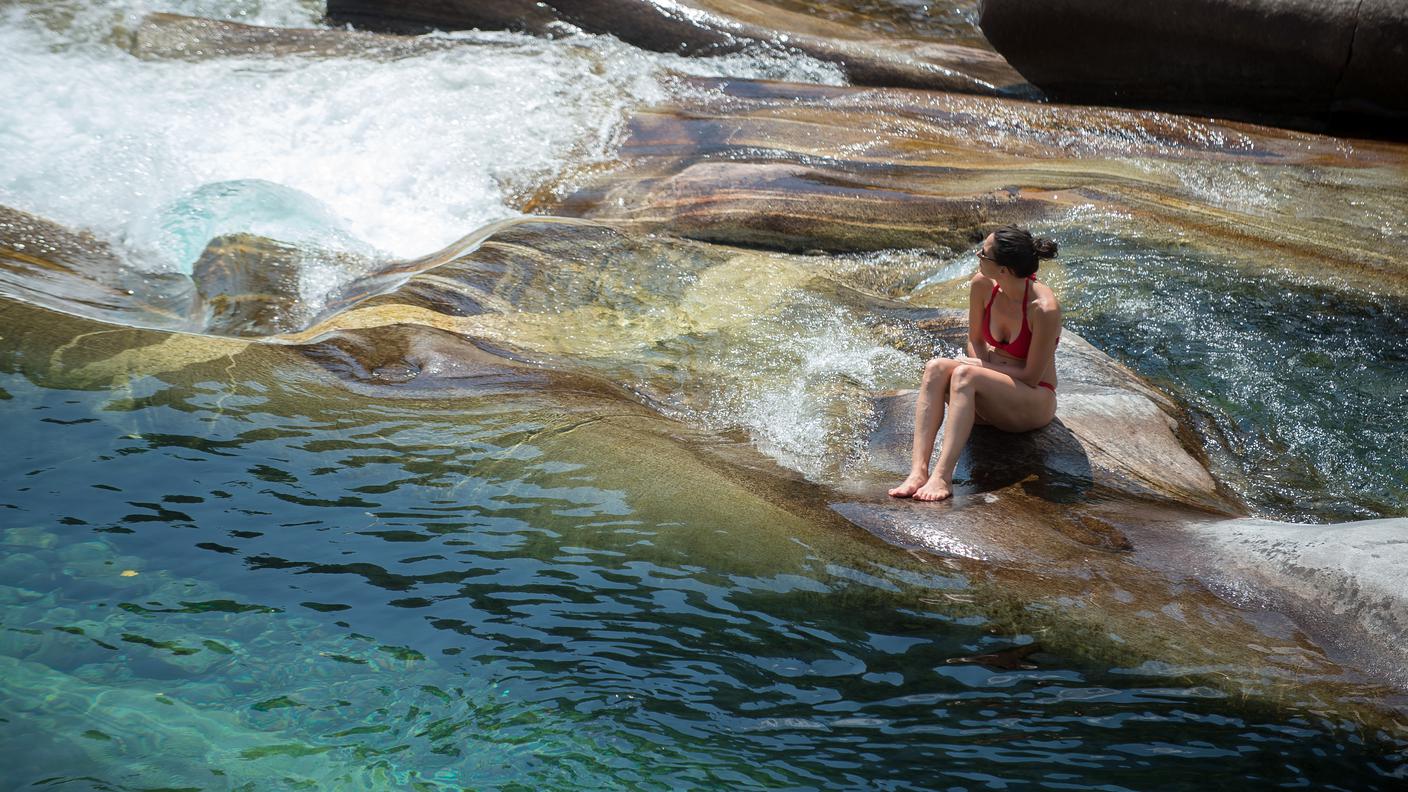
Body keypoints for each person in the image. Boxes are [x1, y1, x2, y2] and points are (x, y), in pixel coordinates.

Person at [889, 225, 1061, 501]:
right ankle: (918, 472)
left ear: (1004, 269)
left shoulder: (1043, 308)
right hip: (989, 398)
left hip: (1033, 400)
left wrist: (980, 369)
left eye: (983, 253)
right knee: (935, 367)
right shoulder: (982, 284)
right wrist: (979, 365)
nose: (977, 255)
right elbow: (976, 341)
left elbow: (1030, 376)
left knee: (965, 376)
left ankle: (942, 477)